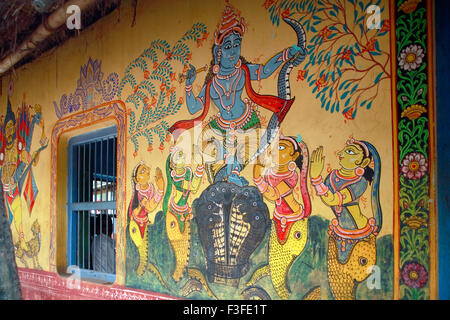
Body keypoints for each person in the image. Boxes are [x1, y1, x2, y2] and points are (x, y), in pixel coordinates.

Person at [169, 2, 305, 187]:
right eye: (227, 47)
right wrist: (189, 85)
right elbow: (194, 108)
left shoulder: (244, 72)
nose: (233, 51)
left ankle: (232, 171)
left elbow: (264, 71)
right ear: (218, 51)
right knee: (203, 146)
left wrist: (286, 54)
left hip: (247, 122)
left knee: (246, 147)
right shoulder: (211, 85)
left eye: (236, 45)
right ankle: (224, 172)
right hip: (220, 127)